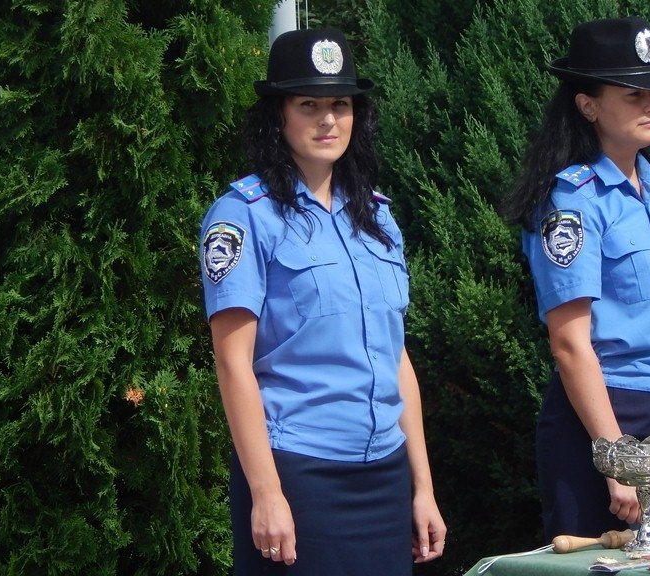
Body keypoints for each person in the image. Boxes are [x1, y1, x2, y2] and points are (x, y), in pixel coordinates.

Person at [199, 27, 446, 574]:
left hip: (385, 472)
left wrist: (422, 486)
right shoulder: (243, 216)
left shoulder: (377, 217)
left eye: (341, 104)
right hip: (299, 473)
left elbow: (396, 357)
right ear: (278, 116)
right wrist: (267, 493)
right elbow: (232, 363)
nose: (328, 119)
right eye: (308, 105)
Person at [501, 16, 650, 540]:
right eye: (634, 94)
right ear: (588, 105)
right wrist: (614, 457)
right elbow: (569, 344)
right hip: (607, 417)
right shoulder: (572, 201)